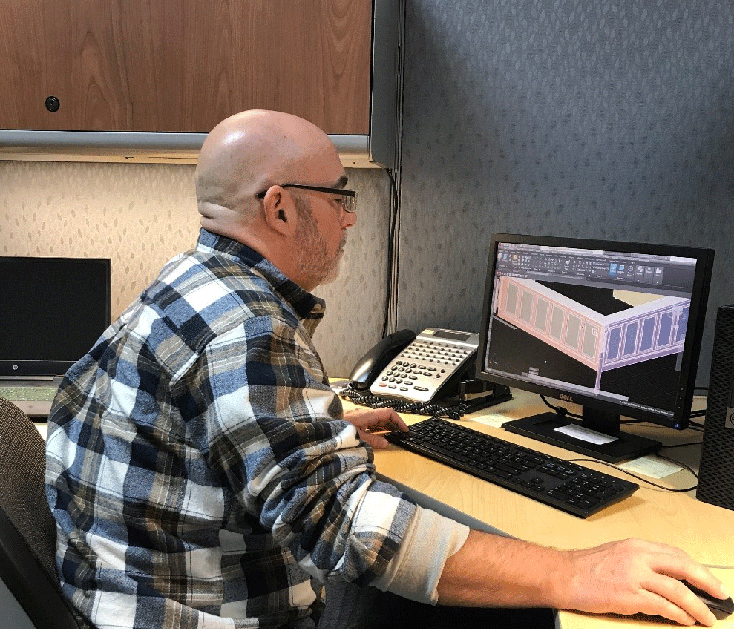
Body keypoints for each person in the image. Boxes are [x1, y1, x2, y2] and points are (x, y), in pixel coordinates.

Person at [46, 109, 728, 629]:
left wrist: (320, 429)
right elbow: (344, 528)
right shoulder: (248, 330)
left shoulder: (189, 282)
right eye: (340, 197)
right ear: (280, 205)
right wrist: (575, 570)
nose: (349, 220)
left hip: (119, 595)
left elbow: (192, 419)